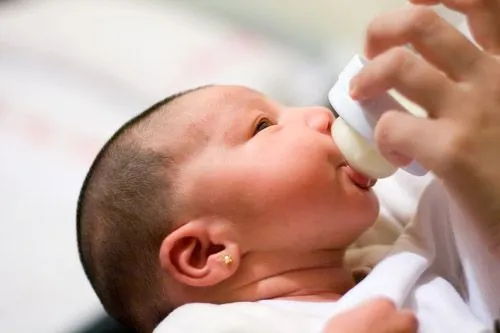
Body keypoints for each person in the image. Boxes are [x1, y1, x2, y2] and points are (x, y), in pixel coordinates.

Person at [76, 2, 500, 333]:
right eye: (263, 125)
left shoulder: (394, 252)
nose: (319, 116)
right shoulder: (214, 325)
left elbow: (457, 184)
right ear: (207, 252)